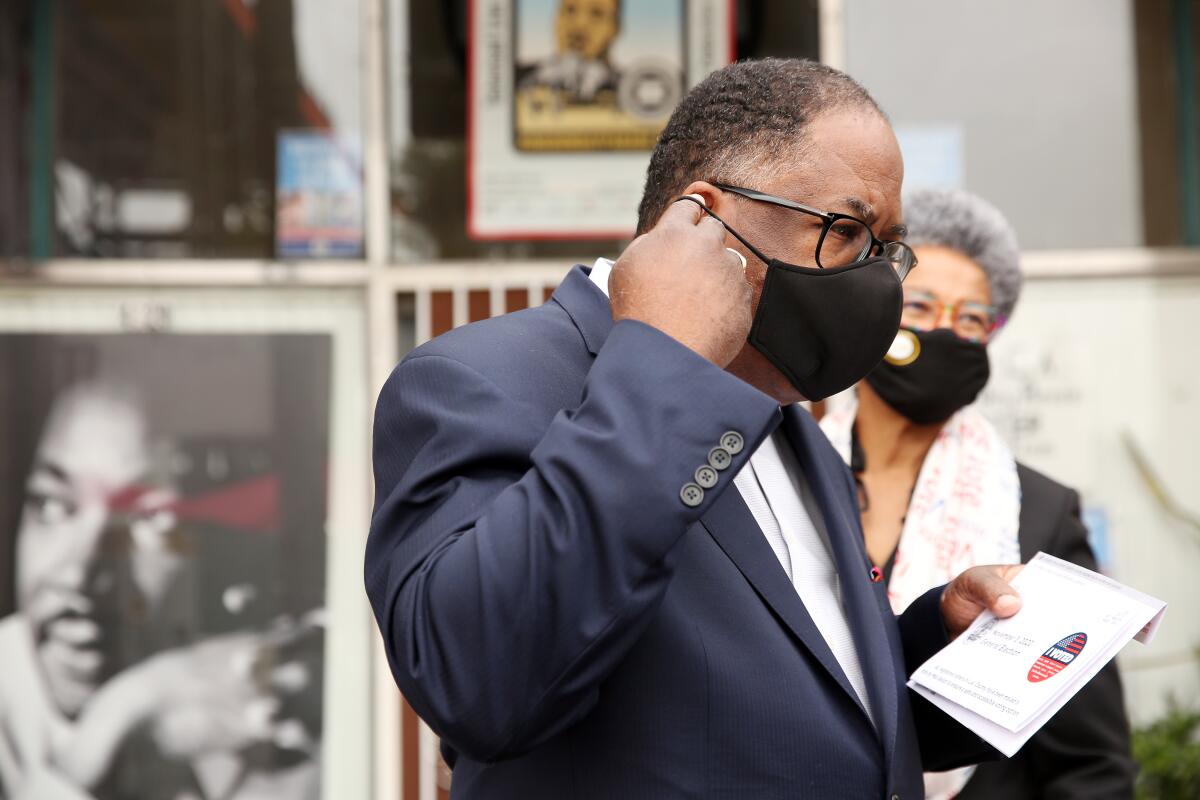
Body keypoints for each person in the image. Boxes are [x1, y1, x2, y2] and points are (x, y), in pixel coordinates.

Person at [367, 58, 1026, 799]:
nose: (876, 276)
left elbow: (791, 701)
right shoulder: (482, 377)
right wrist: (664, 361)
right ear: (702, 216)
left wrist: (940, 638)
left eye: (887, 247)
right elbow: (479, 681)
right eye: (846, 231)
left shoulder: (787, 422)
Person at [819, 188, 1137, 799]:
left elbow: (1090, 763)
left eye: (970, 320)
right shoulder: (784, 472)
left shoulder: (1039, 510)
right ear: (875, 311)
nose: (948, 334)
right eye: (923, 307)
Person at [0, 380, 321, 800]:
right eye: (53, 505)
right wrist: (117, 716)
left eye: (148, 519)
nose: (81, 574)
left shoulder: (280, 740)